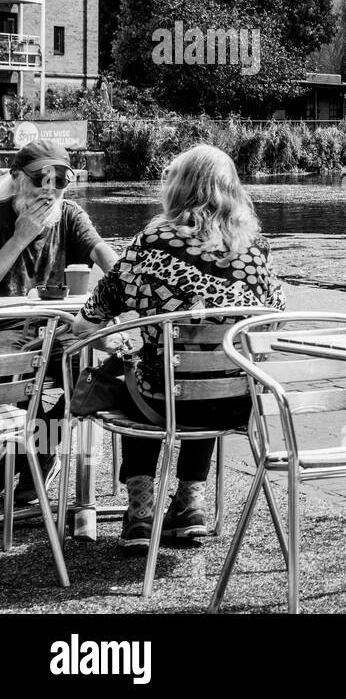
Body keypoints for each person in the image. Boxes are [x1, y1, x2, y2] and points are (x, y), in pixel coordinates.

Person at [70, 145, 286, 551]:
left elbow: (89, 319)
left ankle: (140, 513)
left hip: (163, 401)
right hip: (238, 401)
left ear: (178, 188)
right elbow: (273, 320)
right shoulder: (256, 247)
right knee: (204, 379)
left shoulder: (153, 241)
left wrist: (119, 335)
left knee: (148, 373)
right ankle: (190, 507)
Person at [0, 141, 117, 506]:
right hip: (6, 332)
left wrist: (127, 285)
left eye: (60, 179)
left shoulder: (69, 215)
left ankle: (37, 451)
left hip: (59, 327)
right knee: (7, 379)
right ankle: (20, 455)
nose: (49, 189)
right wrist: (20, 237)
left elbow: (103, 255)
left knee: (91, 373)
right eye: (40, 178)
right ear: (17, 179)